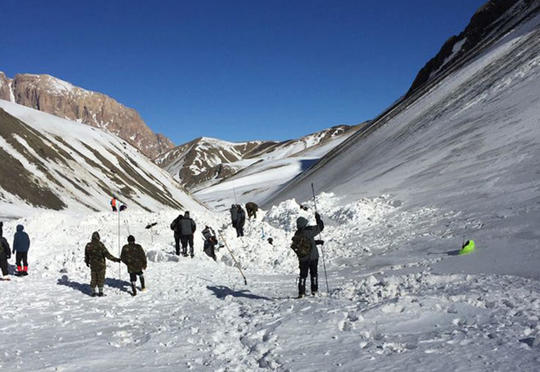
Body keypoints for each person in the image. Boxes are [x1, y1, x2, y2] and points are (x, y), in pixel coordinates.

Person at [292, 213, 324, 298]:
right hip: (313, 257)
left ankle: (301, 293)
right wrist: (318, 218)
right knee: (314, 274)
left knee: (303, 275)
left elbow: (306, 243)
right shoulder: (309, 231)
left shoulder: (297, 234)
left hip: (303, 259)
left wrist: (317, 242)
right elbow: (320, 227)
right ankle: (314, 291)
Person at [84, 232, 120, 297]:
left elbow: (86, 255)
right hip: (101, 266)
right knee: (101, 279)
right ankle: (100, 292)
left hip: (93, 265)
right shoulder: (100, 245)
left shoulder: (88, 245)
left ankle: (93, 292)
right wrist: (116, 259)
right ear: (98, 237)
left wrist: (87, 262)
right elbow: (107, 255)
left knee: (93, 279)